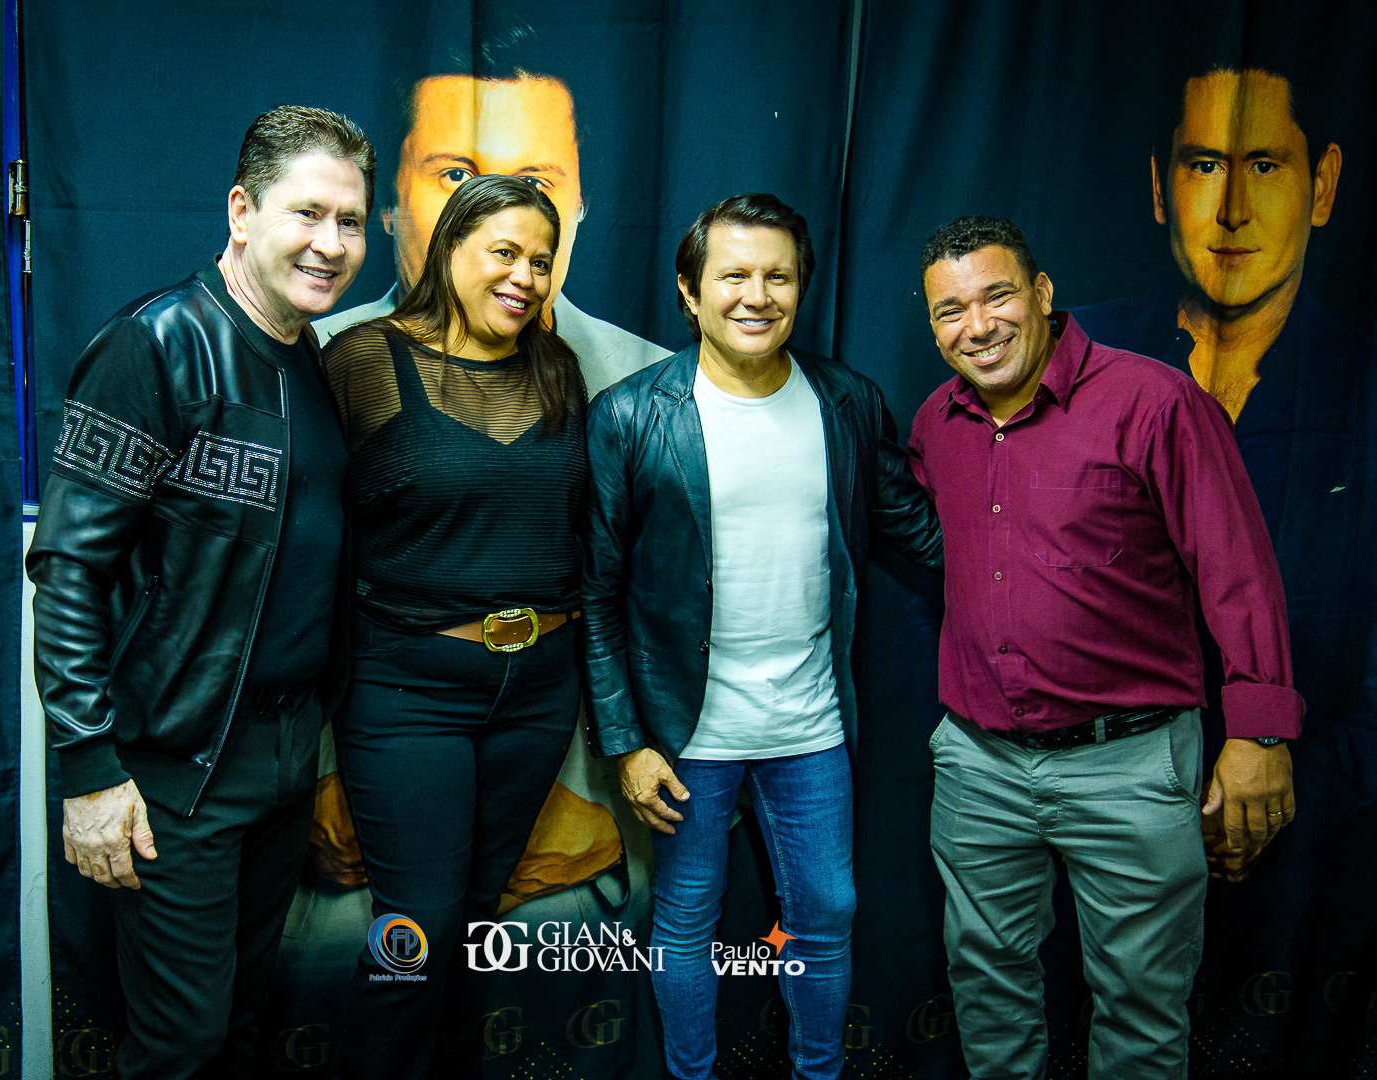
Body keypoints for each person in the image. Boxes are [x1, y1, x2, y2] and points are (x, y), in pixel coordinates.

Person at [909, 215, 1304, 1080]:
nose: (977, 326)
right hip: (979, 768)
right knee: (986, 991)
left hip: (1130, 767)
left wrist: (1260, 733)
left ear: (1044, 293)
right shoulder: (937, 421)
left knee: (1141, 1011)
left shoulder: (1154, 402)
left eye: (997, 296)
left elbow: (1237, 569)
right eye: (950, 311)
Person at [25, 105, 372, 1078]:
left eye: (351, 221)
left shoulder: (309, 357)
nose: (331, 242)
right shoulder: (157, 344)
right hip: (177, 768)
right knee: (180, 1045)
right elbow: (67, 568)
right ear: (242, 211)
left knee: (245, 1024)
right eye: (308, 213)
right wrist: (90, 771)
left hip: (284, 755)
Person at [581, 193, 943, 1080]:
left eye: (777, 276)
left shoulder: (846, 402)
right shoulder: (631, 415)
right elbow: (596, 592)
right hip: (685, 737)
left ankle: (818, 1074)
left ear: (801, 288)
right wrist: (624, 743)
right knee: (685, 921)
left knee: (827, 913)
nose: (757, 295)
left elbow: (923, 531)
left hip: (811, 728)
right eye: (734, 274)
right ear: (690, 290)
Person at [1072, 61, 1377, 870]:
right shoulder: (1064, 357)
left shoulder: (1366, 389)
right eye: (1205, 165)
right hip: (1079, 819)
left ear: (1322, 186)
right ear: (1160, 187)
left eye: (1265, 166)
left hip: (1313, 844)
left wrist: (1286, 804)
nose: (1234, 209)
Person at [321, 174, 588, 1080]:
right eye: (504, 252)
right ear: (450, 250)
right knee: (418, 928)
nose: (525, 277)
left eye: (541, 261)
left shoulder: (557, 371)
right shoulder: (365, 359)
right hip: (408, 689)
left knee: (477, 925)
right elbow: (310, 523)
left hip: (538, 690)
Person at [313, 41, 668, 389]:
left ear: (581, 202)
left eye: (532, 182)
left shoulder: (652, 387)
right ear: (389, 204)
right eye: (456, 175)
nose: (497, 221)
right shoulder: (314, 362)